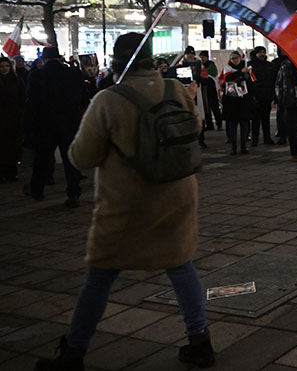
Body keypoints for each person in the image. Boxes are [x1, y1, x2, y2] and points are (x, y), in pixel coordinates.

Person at [34, 33, 214, 370]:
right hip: (177, 192)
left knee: (101, 276)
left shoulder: (108, 99)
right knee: (180, 264)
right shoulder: (176, 89)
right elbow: (196, 126)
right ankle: (200, 340)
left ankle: (74, 352)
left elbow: (81, 157)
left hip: (127, 203)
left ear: (117, 61)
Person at [22, 46, 89, 206]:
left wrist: (29, 126)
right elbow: (84, 97)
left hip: (46, 123)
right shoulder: (73, 73)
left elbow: (32, 104)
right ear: (59, 58)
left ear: (44, 60)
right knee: (70, 158)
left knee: (42, 158)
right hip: (69, 122)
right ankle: (73, 192)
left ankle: (37, 190)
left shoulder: (37, 75)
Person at [219, 51, 253, 156]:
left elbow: (251, 81)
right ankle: (233, 146)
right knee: (232, 124)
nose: (235, 60)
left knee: (244, 124)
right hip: (231, 101)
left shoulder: (246, 68)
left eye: (237, 58)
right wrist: (240, 72)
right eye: (233, 58)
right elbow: (228, 78)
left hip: (243, 100)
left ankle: (243, 145)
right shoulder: (227, 68)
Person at [0, 56, 26, 182]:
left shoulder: (17, 80)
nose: (4, 69)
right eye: (2, 66)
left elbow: (22, 98)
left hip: (13, 119)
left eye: (6, 66)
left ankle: (11, 172)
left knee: (12, 146)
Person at [248, 47, 276, 146]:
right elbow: (249, 82)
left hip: (267, 95)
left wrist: (273, 95)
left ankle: (267, 138)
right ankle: (254, 139)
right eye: (260, 52)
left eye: (263, 52)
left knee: (266, 118)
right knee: (255, 120)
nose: (262, 54)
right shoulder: (250, 66)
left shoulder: (269, 65)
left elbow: (273, 80)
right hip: (255, 96)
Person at [198, 51, 223, 130]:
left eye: (203, 57)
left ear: (207, 57)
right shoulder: (200, 66)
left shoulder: (211, 65)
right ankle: (209, 125)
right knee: (206, 108)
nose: (202, 59)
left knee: (214, 106)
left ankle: (219, 124)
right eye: (201, 57)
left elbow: (210, 75)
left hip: (212, 89)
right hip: (204, 90)